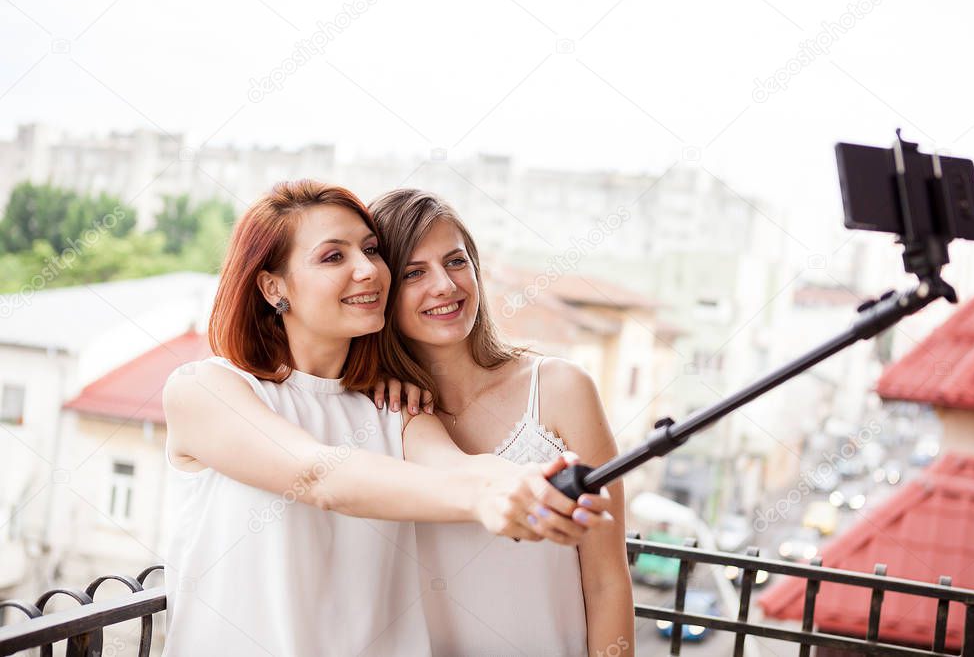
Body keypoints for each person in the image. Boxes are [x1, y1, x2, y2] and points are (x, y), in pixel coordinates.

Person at [161, 180, 612, 656]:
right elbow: (318, 474)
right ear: (274, 287)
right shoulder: (204, 390)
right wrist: (487, 497)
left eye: (371, 250)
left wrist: (536, 485)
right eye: (333, 257)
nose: (368, 270)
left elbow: (461, 466)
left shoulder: (396, 409)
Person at [370, 189, 635, 657]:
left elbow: (607, 580)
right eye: (414, 272)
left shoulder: (560, 388)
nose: (445, 286)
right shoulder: (376, 412)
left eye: (455, 261)